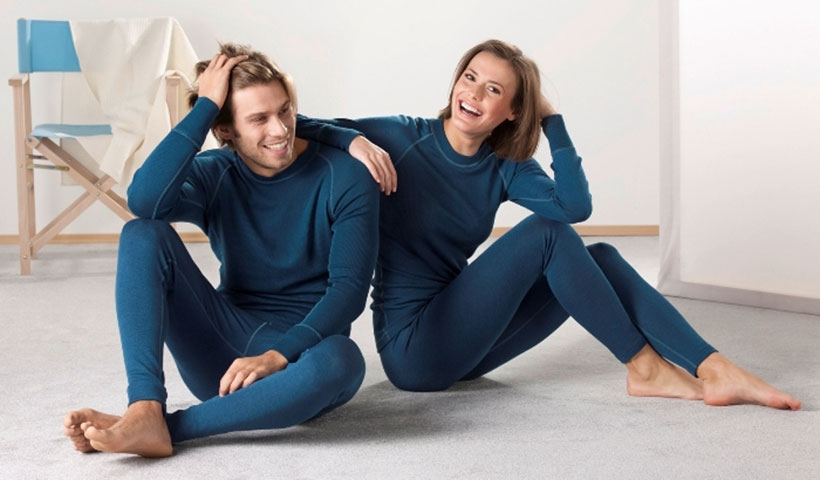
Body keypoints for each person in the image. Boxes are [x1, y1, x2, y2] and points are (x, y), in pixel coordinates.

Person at [297, 39, 801, 410]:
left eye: (493, 89)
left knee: (599, 256)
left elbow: (573, 206)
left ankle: (713, 367)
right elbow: (294, 125)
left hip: (467, 345)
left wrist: (552, 122)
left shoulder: (505, 166)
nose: (473, 94)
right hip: (413, 348)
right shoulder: (401, 137)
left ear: (512, 111)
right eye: (469, 77)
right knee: (546, 235)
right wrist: (351, 140)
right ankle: (645, 367)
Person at [63, 43, 380, 457]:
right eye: (259, 119)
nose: (280, 130)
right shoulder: (215, 173)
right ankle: (143, 404)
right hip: (222, 355)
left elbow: (349, 292)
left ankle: (162, 428)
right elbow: (144, 201)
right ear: (225, 129)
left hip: (299, 357)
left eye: (285, 111)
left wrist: (276, 356)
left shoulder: (346, 173)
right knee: (142, 234)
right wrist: (204, 108)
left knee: (343, 359)